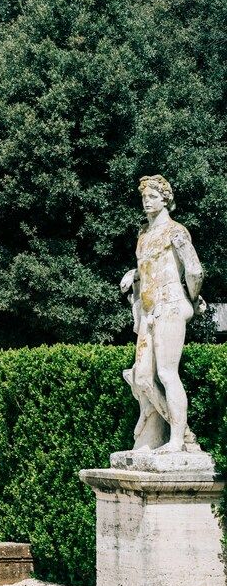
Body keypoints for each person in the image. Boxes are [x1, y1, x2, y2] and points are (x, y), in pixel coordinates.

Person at [121, 174, 204, 453]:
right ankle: (183, 433)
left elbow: (194, 270)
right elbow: (148, 270)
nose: (147, 202)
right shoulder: (143, 235)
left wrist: (192, 299)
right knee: (142, 377)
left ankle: (178, 441)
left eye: (153, 197)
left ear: (165, 199)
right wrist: (133, 274)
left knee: (168, 373)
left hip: (169, 304)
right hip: (148, 311)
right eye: (144, 197)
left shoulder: (176, 231)